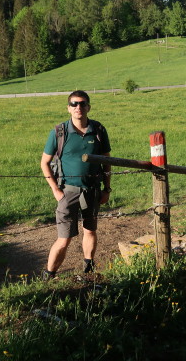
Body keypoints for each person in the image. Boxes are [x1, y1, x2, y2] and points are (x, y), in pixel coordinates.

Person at [41, 90, 111, 278]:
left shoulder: (98, 130)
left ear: (88, 107)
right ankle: (49, 275)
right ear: (68, 108)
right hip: (67, 191)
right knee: (65, 238)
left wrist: (107, 188)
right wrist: (56, 190)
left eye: (82, 103)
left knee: (90, 229)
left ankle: (88, 267)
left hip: (92, 189)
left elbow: (106, 161)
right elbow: (44, 163)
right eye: (74, 104)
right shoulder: (59, 132)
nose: (78, 107)